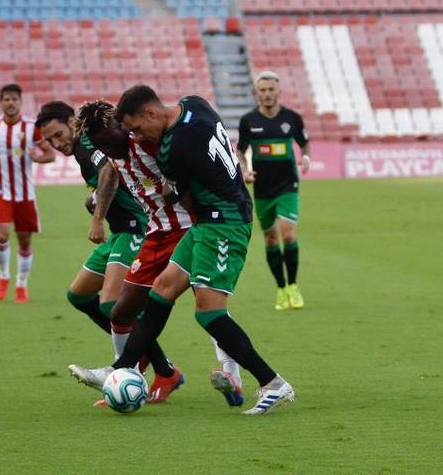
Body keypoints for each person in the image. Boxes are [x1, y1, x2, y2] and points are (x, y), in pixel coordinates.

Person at [76, 86, 294, 415]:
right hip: (210, 220)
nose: (136, 135)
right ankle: (122, 366)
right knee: (161, 291)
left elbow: (181, 197)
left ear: (149, 114)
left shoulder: (171, 149)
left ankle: (272, 383)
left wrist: (166, 193)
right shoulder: (196, 104)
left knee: (209, 312)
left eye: (135, 128)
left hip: (223, 223)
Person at [36, 101, 185, 403]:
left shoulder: (87, 142)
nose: (57, 142)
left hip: (135, 228)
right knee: (78, 295)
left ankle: (159, 370)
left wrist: (96, 218)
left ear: (72, 122)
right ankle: (138, 351)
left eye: (58, 133)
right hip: (120, 231)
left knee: (112, 304)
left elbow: (109, 172)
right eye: (50, 140)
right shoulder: (81, 148)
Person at [237, 71, 310, 310]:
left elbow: (304, 142)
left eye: (271, 90)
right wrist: (245, 170)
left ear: (278, 92)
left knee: (288, 234)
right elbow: (240, 151)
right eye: (263, 90)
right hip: (263, 188)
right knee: (270, 238)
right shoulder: (248, 121)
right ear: (256, 94)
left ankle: (294, 286)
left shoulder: (292, 118)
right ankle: (281, 289)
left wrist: (306, 157)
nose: (267, 94)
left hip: (288, 185)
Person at [0, 83, 55, 302]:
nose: (10, 103)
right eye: (6, 99)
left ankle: (21, 284)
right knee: (2, 236)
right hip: (0, 192)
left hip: (25, 194)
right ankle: (3, 277)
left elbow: (51, 155)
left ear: (20, 102)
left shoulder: (32, 127)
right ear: (1, 102)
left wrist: (37, 157)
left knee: (24, 242)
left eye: (14, 99)